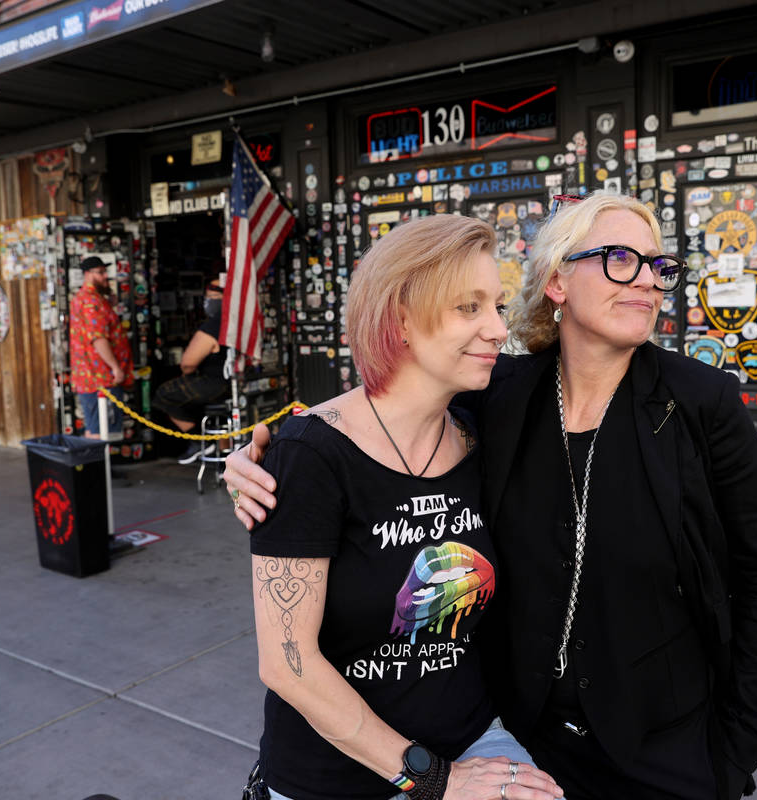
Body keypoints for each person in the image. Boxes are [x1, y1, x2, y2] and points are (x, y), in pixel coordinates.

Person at [226, 193, 757, 800]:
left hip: (658, 745)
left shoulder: (699, 401)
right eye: (621, 258)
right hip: (520, 738)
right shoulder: (498, 400)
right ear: (556, 281)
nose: (648, 280)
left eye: (659, 266)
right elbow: (389, 408)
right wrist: (273, 456)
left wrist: (740, 747)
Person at [241, 214, 562, 800]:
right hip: (337, 775)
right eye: (469, 308)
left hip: (471, 741)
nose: (497, 328)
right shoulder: (311, 455)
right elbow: (287, 664)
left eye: (497, 305)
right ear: (401, 321)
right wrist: (434, 780)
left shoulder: (478, 435)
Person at [152, 276, 232, 464]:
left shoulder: (213, 325)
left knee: (164, 395)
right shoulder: (236, 321)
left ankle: (200, 441)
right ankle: (222, 452)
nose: (207, 302)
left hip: (214, 383)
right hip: (233, 384)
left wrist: (186, 373)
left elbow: (188, 363)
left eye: (211, 297)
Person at [70, 256, 133, 439]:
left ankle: (98, 467)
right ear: (87, 274)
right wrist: (115, 367)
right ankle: (100, 468)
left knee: (95, 429)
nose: (106, 276)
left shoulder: (91, 298)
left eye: (105, 271)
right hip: (100, 378)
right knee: (100, 432)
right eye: (101, 272)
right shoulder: (91, 301)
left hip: (92, 377)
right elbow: (98, 339)